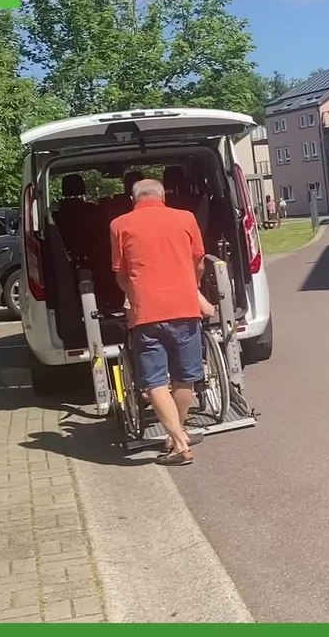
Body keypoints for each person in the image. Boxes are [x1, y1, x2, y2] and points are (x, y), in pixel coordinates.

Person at [111, 178, 209, 466]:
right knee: (185, 377)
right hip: (185, 308)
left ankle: (178, 442)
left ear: (133, 200)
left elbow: (120, 273)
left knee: (155, 381)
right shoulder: (186, 218)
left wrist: (133, 294)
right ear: (163, 196)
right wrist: (190, 285)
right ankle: (179, 436)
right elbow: (199, 262)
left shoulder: (119, 224)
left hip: (147, 313)